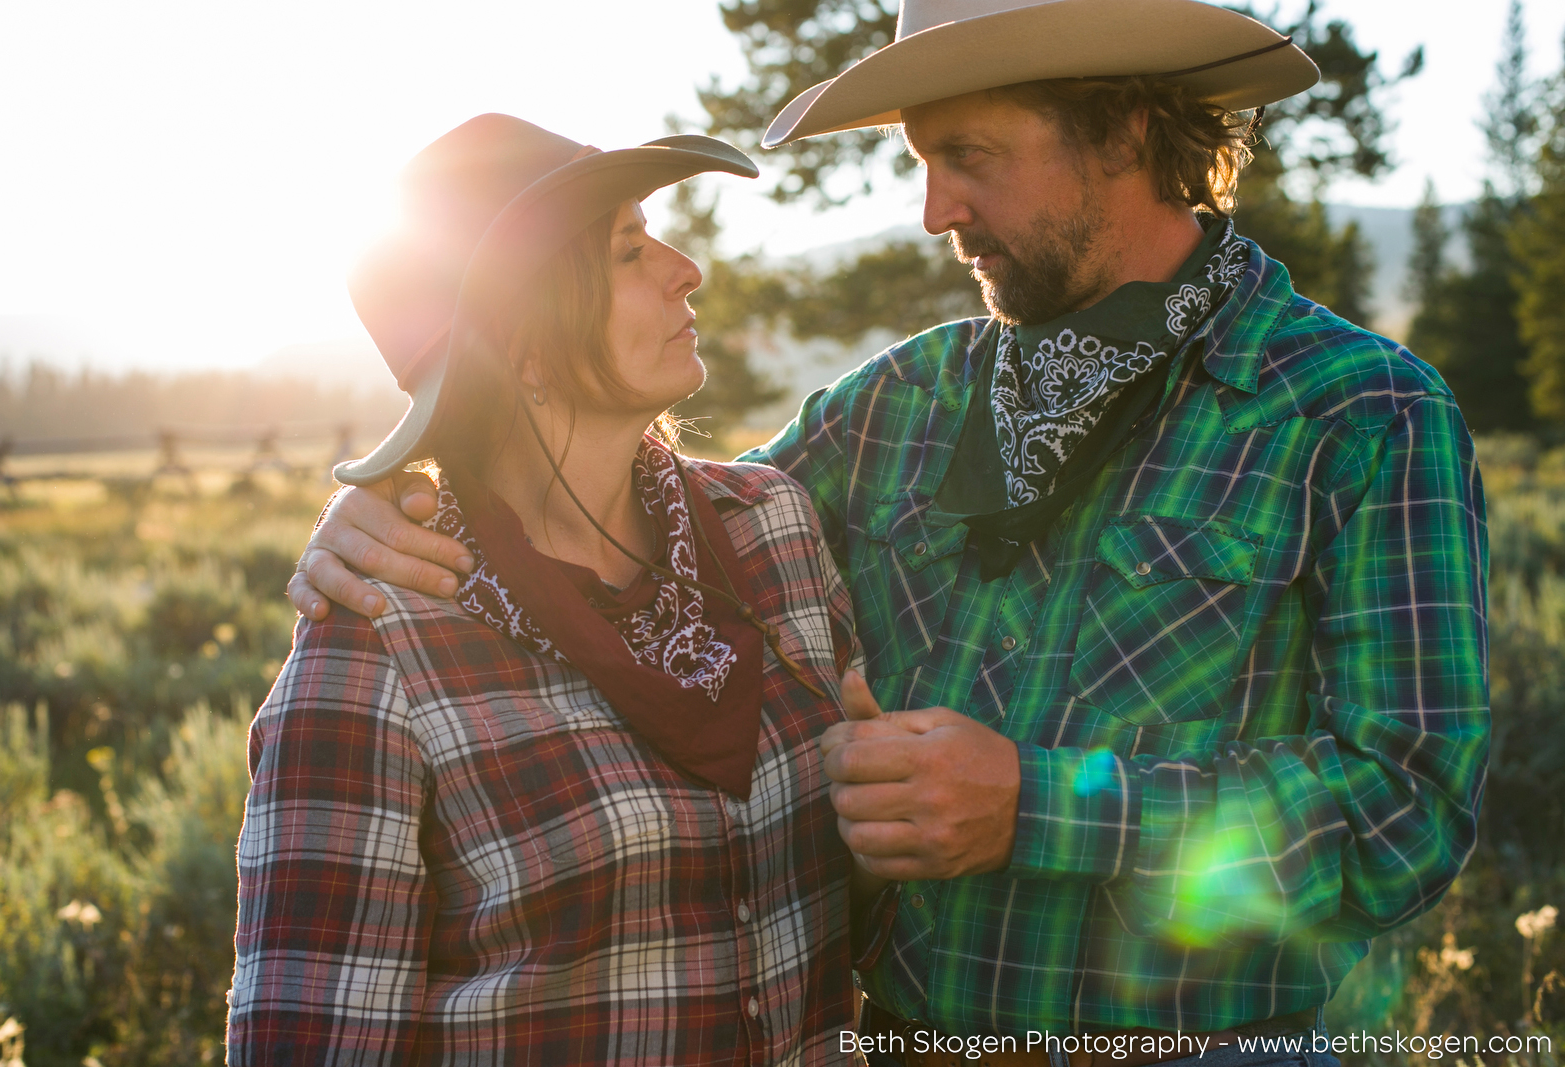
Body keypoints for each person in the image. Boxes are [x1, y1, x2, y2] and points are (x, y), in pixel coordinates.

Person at [287, 1, 1491, 1064]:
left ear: (1124, 130)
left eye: (967, 156)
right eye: (922, 162)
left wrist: (1039, 802)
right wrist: (402, 497)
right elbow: (626, 523)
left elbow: (1407, 812)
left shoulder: (1359, 412)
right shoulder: (898, 405)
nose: (931, 212)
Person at [227, 114, 874, 1065]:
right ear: (524, 346)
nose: (682, 265)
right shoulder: (382, 647)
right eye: (626, 249)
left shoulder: (769, 529)